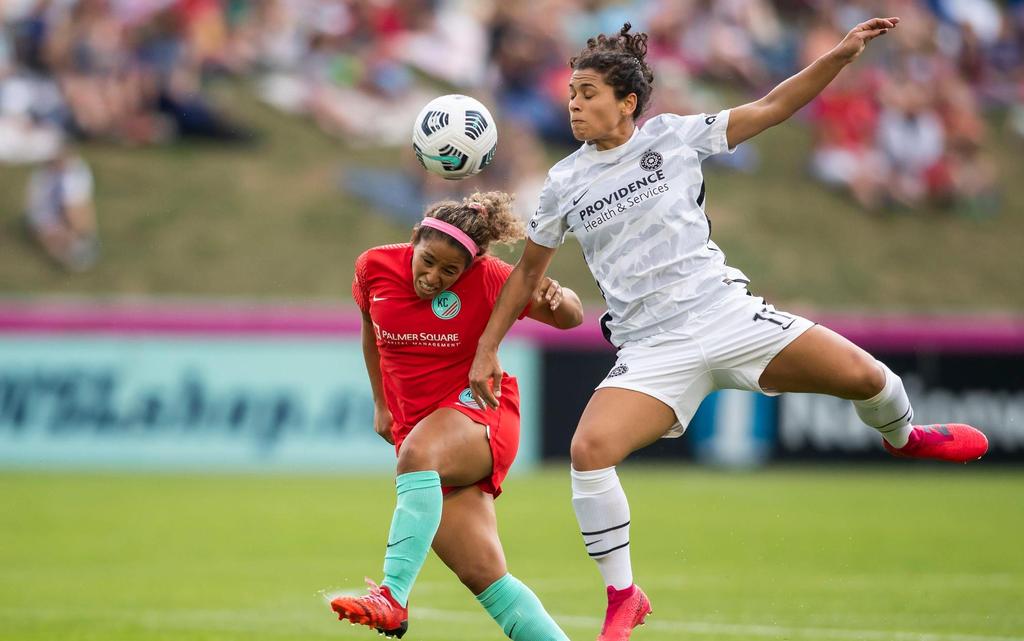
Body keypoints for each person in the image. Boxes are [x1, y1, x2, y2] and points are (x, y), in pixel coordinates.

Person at [467, 20, 990, 641]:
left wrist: (839, 56)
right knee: (588, 452)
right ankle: (624, 594)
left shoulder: (674, 137)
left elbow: (772, 106)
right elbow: (527, 275)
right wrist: (487, 347)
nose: (573, 103)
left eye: (587, 93)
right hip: (653, 346)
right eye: (572, 94)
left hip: (727, 315)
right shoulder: (563, 184)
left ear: (627, 102)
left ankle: (903, 438)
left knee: (871, 379)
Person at [330, 191, 584, 640]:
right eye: (427, 261)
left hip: (479, 414)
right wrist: (381, 403)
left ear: (470, 268)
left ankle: (391, 598)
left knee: (418, 453)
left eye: (450, 271)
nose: (433, 277)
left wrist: (557, 293)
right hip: (421, 436)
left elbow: (572, 318)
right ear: (414, 239)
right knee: (487, 580)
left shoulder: (490, 279)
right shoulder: (373, 266)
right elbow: (370, 330)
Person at [25, 147, 99, 271]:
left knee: (76, 215)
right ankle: (77, 246)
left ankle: (80, 243)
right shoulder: (45, 174)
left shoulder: (74, 172)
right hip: (47, 217)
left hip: (55, 215)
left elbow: (75, 206)